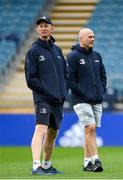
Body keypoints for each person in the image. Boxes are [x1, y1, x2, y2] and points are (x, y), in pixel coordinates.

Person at [25, 16, 68, 175]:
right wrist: (47, 91)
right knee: (41, 129)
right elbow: (31, 79)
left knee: (53, 133)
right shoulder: (33, 51)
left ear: (52, 28)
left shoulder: (57, 50)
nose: (43, 28)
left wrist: (63, 91)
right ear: (37, 30)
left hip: (58, 99)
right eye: (40, 26)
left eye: (46, 25)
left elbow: (65, 74)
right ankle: (36, 166)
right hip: (43, 98)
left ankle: (47, 164)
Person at [67, 28, 107, 172]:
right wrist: (83, 93)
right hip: (80, 99)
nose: (92, 39)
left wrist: (101, 90)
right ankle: (96, 159)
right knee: (90, 127)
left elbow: (103, 76)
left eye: (93, 37)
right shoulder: (73, 56)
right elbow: (70, 80)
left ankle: (86, 162)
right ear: (81, 38)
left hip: (96, 99)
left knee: (89, 130)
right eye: (89, 37)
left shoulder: (97, 55)